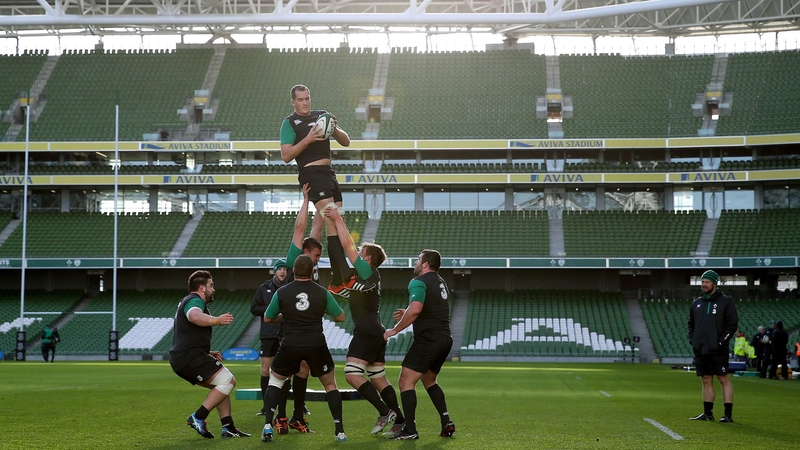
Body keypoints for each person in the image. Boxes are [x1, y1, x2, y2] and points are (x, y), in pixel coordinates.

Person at [279, 84, 373, 297]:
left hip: (329, 174)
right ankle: (347, 276)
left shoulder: (322, 115)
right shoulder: (289, 123)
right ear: (293, 102)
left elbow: (346, 142)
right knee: (332, 220)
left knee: (339, 224)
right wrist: (309, 139)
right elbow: (286, 156)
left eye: (307, 98)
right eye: (300, 99)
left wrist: (334, 128)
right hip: (311, 175)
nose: (305, 103)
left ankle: (337, 281)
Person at [324, 207, 406, 436]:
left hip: (367, 332)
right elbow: (344, 289)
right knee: (379, 379)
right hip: (375, 332)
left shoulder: (368, 272)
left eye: (362, 252)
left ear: (367, 258)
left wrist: (338, 219)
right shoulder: (364, 281)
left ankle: (384, 411)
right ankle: (399, 420)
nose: (358, 253)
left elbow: (348, 248)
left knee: (351, 374)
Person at [260, 254, 348, 443]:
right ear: (313, 272)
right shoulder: (322, 292)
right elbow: (340, 317)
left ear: (293, 271)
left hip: (290, 342)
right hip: (316, 343)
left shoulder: (282, 292)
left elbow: (268, 317)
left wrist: (285, 315)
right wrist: (319, 310)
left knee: (275, 381)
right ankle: (339, 430)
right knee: (330, 385)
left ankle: (268, 425)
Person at [383, 249, 456, 440]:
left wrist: (394, 330)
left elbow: (416, 309)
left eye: (418, 260)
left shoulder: (418, 282)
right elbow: (425, 309)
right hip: (444, 338)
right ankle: (446, 421)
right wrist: (408, 312)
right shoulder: (440, 282)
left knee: (405, 381)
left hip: (428, 339)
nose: (415, 263)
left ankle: (410, 430)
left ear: (425, 264)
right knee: (429, 380)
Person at [170, 270, 251, 439]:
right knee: (229, 381)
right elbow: (193, 316)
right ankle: (198, 416)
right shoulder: (195, 301)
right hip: (189, 357)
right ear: (201, 288)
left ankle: (228, 427)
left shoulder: (187, 300)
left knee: (221, 385)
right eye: (211, 285)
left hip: (186, 356)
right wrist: (216, 320)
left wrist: (207, 352)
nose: (213, 289)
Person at [688, 270, 738, 423]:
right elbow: (691, 325)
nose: (704, 285)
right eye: (702, 282)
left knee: (723, 378)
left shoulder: (726, 301)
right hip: (701, 349)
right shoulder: (696, 303)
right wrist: (693, 340)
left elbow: (732, 325)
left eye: (707, 282)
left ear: (714, 283)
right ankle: (707, 414)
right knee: (706, 379)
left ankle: (727, 415)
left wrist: (720, 342)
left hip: (719, 349)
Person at [251, 259, 290, 417]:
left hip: (286, 335)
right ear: (275, 271)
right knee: (266, 370)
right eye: (279, 269)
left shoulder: (291, 287)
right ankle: (266, 406)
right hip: (268, 335)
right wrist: (271, 310)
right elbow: (254, 308)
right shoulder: (264, 288)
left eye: (284, 269)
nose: (282, 272)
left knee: (287, 372)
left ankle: (286, 406)